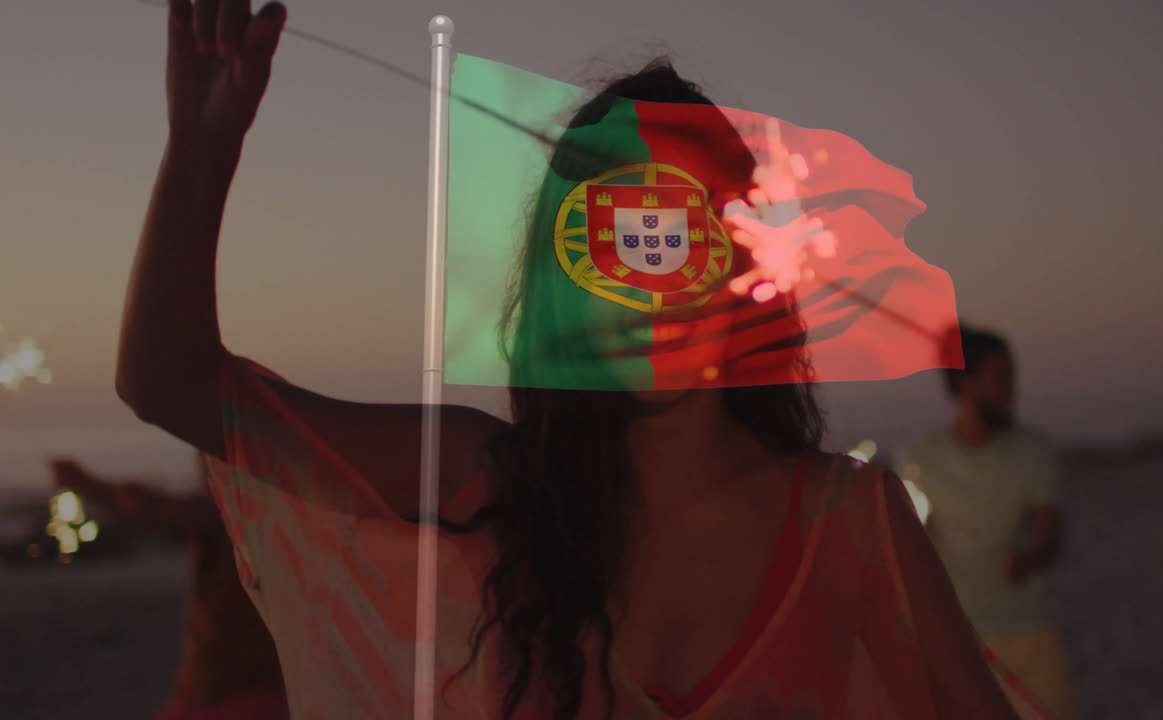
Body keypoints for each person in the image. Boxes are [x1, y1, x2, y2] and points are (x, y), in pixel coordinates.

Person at [116, 1, 1026, 717]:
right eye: (620, 241)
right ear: (566, 281)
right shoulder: (484, 482)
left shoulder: (850, 522)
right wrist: (201, 149)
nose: (653, 288)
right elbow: (172, 385)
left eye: (686, 236)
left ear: (746, 267)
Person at [894, 325, 1078, 719]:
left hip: (1028, 631)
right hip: (957, 638)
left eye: (1013, 377)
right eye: (1001, 377)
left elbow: (1050, 537)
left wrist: (1031, 558)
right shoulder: (920, 458)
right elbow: (912, 541)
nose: (1012, 389)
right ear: (966, 383)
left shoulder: (1034, 452)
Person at [50, 456, 288, 720]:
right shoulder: (274, 513)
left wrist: (87, 485)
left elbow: (160, 509)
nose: (203, 466)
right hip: (237, 687)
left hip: (234, 692)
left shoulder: (232, 513)